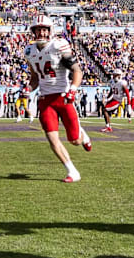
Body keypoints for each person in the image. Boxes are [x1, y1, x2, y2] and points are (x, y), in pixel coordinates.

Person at [24, 15, 92, 183]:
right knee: (52, 138)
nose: (41, 32)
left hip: (63, 96)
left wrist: (73, 90)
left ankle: (83, 134)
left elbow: (77, 70)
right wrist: (28, 89)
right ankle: (72, 171)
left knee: (75, 141)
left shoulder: (59, 45)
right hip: (45, 99)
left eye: (44, 29)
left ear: (50, 31)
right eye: (38, 29)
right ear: (33, 31)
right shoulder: (29, 50)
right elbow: (35, 79)